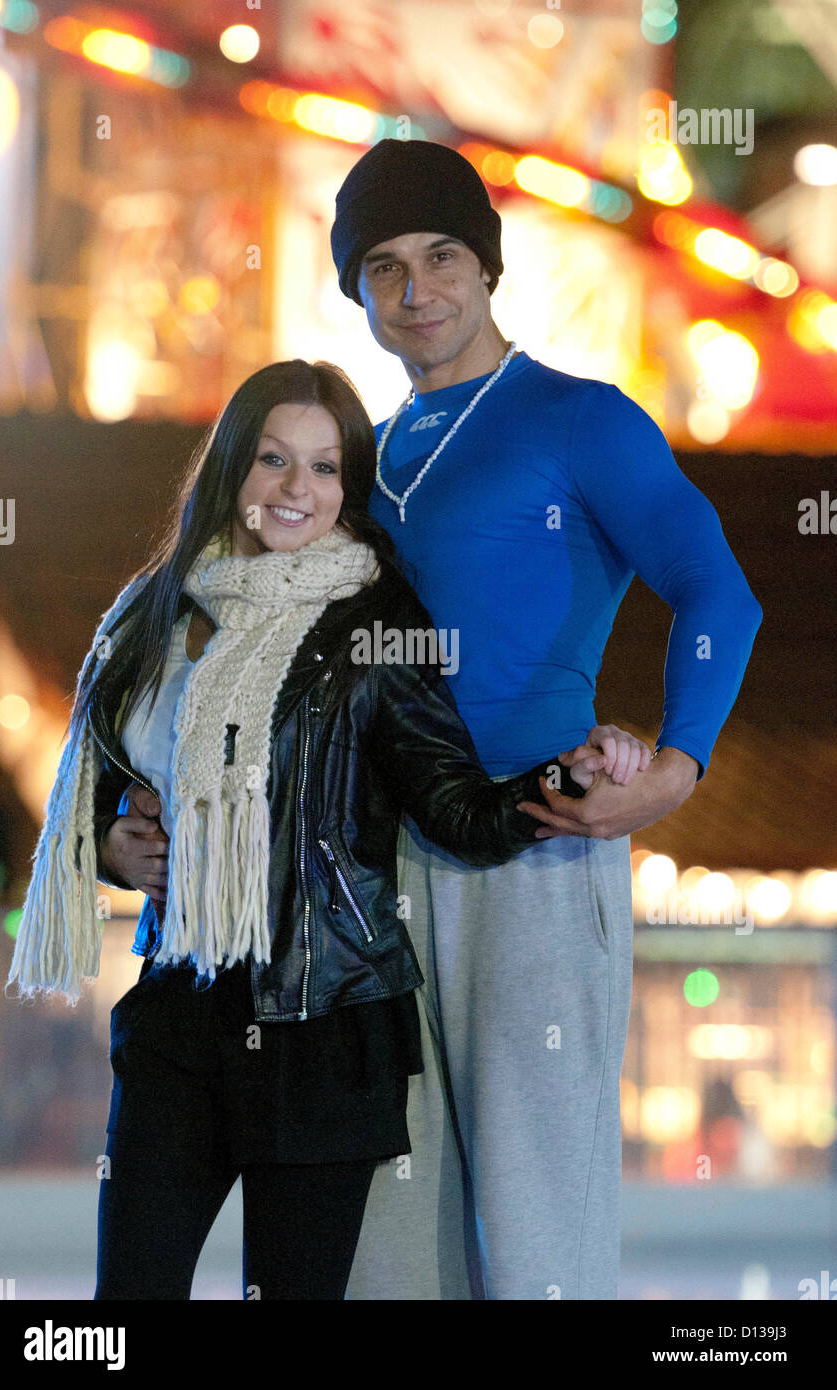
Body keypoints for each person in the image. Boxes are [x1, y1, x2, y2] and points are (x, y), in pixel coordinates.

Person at [6, 359, 650, 1301]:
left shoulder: (374, 630)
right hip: (180, 1012)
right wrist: (107, 835)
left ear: (350, 490)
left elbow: (456, 807)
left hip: (326, 1028)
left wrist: (567, 776)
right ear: (231, 466)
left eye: (323, 466)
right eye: (272, 459)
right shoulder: (154, 612)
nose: (295, 488)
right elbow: (101, 773)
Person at [325, 138, 764, 1300]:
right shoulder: (357, 463)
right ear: (356, 291)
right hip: (373, 871)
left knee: (531, 1233)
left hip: (534, 836)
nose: (415, 291)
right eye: (381, 268)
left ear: (486, 265)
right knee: (387, 1232)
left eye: (440, 255)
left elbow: (719, 590)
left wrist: (674, 767)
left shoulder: (580, 419)